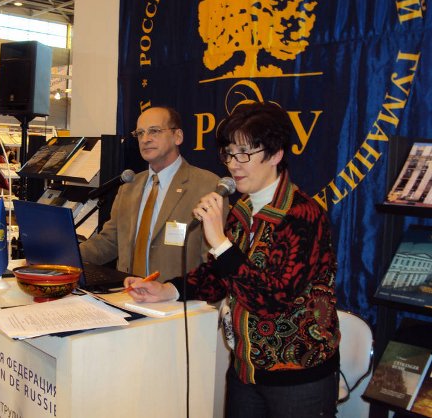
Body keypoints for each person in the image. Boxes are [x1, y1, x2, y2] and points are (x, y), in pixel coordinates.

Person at [125, 102, 340, 418]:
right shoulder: (243, 210)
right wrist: (168, 290)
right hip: (244, 369)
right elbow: (218, 276)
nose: (233, 165)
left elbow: (271, 299)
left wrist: (220, 242)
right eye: (228, 154)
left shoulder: (302, 215)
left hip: (298, 376)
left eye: (244, 154)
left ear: (275, 155)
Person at [79, 106, 225, 280]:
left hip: (178, 295)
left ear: (178, 136)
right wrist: (67, 254)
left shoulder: (207, 186)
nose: (145, 139)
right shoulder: (129, 187)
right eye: (140, 133)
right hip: (129, 291)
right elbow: (110, 241)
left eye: (154, 131)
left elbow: (211, 258)